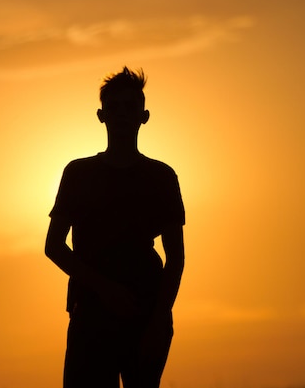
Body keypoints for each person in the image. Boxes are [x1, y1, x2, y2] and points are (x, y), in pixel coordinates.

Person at [45, 67, 185, 388]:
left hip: (146, 314)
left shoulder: (161, 177)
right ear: (101, 115)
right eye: (115, 107)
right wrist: (103, 289)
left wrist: (159, 319)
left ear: (144, 116)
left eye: (130, 107)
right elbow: (53, 246)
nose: (122, 114)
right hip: (90, 316)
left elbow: (175, 258)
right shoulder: (78, 173)